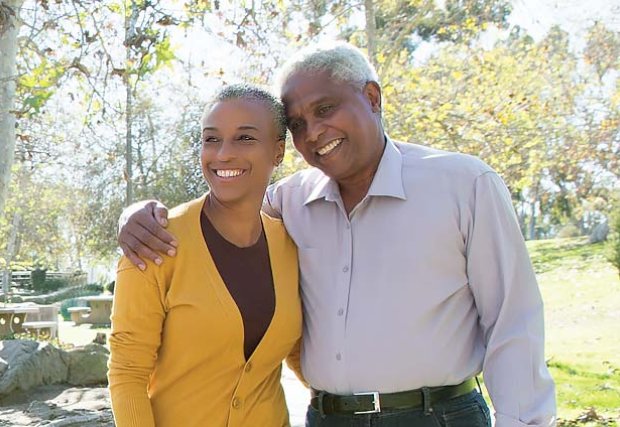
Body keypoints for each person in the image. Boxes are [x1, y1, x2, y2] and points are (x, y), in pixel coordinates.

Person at [118, 43, 556, 426]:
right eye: (298, 123)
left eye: (325, 109)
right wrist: (136, 215)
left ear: (371, 97)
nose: (314, 133)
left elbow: (512, 320)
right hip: (330, 419)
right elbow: (226, 203)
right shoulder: (289, 203)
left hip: (437, 416)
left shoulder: (463, 185)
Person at [108, 84, 302, 427]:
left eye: (245, 138)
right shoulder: (155, 242)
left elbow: (297, 352)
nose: (223, 154)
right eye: (211, 139)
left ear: (278, 151)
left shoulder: (291, 245)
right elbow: (127, 373)